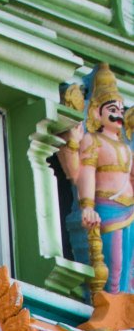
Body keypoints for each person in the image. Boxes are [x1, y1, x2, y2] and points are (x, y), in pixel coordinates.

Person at [59, 64, 134, 294]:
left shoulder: (125, 146)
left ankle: (123, 308)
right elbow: (86, 173)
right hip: (107, 208)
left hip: (129, 210)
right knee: (114, 262)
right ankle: (111, 306)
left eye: (120, 109)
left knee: (129, 265)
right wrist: (88, 206)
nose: (117, 114)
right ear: (96, 113)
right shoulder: (94, 141)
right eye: (112, 108)